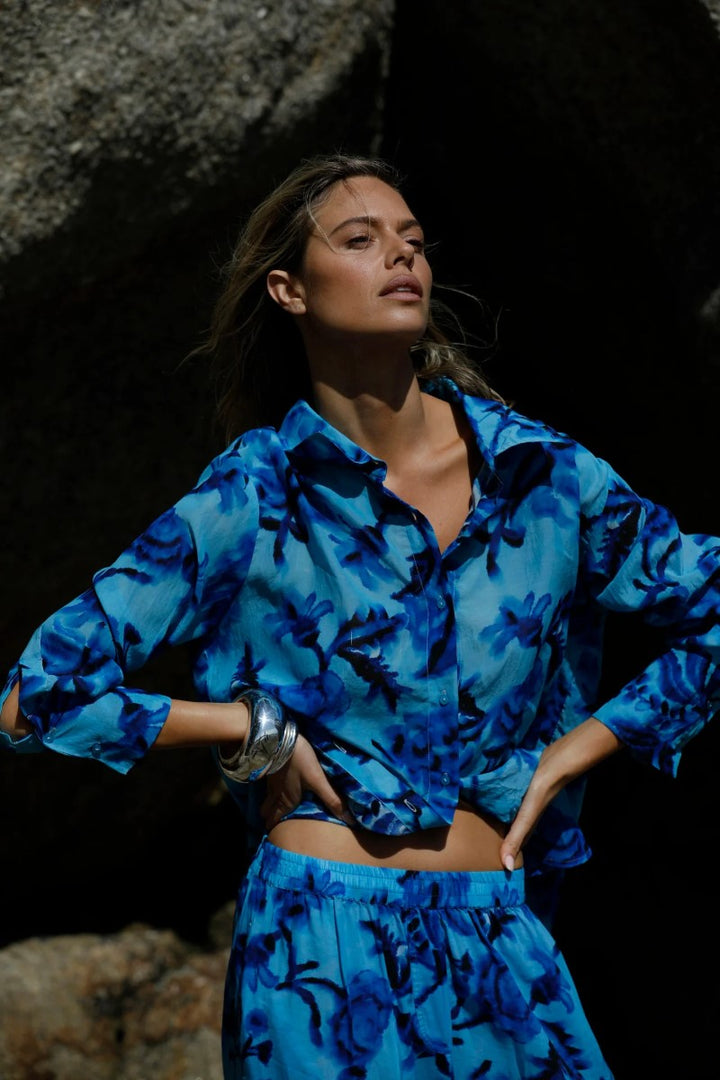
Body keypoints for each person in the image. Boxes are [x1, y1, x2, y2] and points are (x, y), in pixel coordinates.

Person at [2, 152, 719, 1080]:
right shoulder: (254, 497)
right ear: (288, 290)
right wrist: (248, 727)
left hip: (502, 941)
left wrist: (593, 741)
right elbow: (37, 694)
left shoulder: (545, 477)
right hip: (317, 952)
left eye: (414, 242)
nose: (403, 258)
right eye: (362, 239)